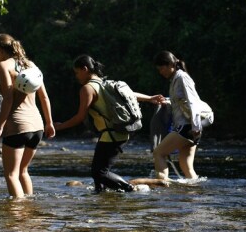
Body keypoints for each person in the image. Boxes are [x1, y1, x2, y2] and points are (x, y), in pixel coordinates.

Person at [54, 55, 164, 192]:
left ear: (85, 69)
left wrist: (59, 127)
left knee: (99, 172)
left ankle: (131, 189)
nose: (76, 76)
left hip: (111, 135)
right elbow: (129, 94)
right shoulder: (106, 84)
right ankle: (101, 197)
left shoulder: (87, 89)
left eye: (77, 72)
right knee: (99, 174)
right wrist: (149, 98)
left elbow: (80, 117)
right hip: (119, 132)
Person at [0, 34, 55, 198]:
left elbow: (8, 99)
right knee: (23, 171)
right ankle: (29, 211)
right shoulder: (31, 65)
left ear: (1, 50)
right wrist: (49, 123)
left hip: (17, 126)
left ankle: (17, 217)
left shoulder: (4, 66)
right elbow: (44, 97)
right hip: (37, 126)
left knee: (11, 175)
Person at [151, 51, 209, 181]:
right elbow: (180, 102)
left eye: (162, 68)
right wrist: (166, 102)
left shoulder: (182, 77)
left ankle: (161, 187)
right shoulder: (175, 79)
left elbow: (193, 101)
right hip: (190, 127)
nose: (160, 72)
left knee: (159, 153)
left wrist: (196, 126)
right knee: (186, 167)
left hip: (188, 127)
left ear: (171, 64)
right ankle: (194, 197)